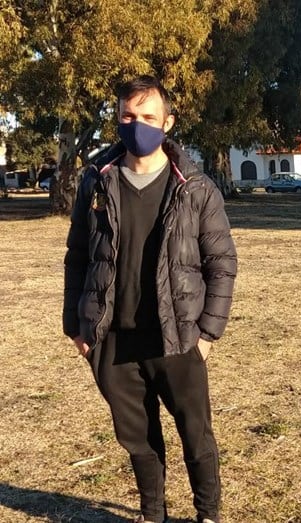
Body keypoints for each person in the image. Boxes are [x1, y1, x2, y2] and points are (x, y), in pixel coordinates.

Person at [63, 75, 237, 523]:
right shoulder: (96, 183)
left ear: (168, 122)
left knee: (195, 436)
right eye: (127, 116)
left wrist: (206, 335)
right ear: (117, 118)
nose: (136, 125)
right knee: (138, 440)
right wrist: (76, 327)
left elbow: (221, 264)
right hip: (112, 340)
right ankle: (152, 514)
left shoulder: (195, 188)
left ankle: (208, 514)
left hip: (177, 336)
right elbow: (78, 256)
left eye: (147, 117)